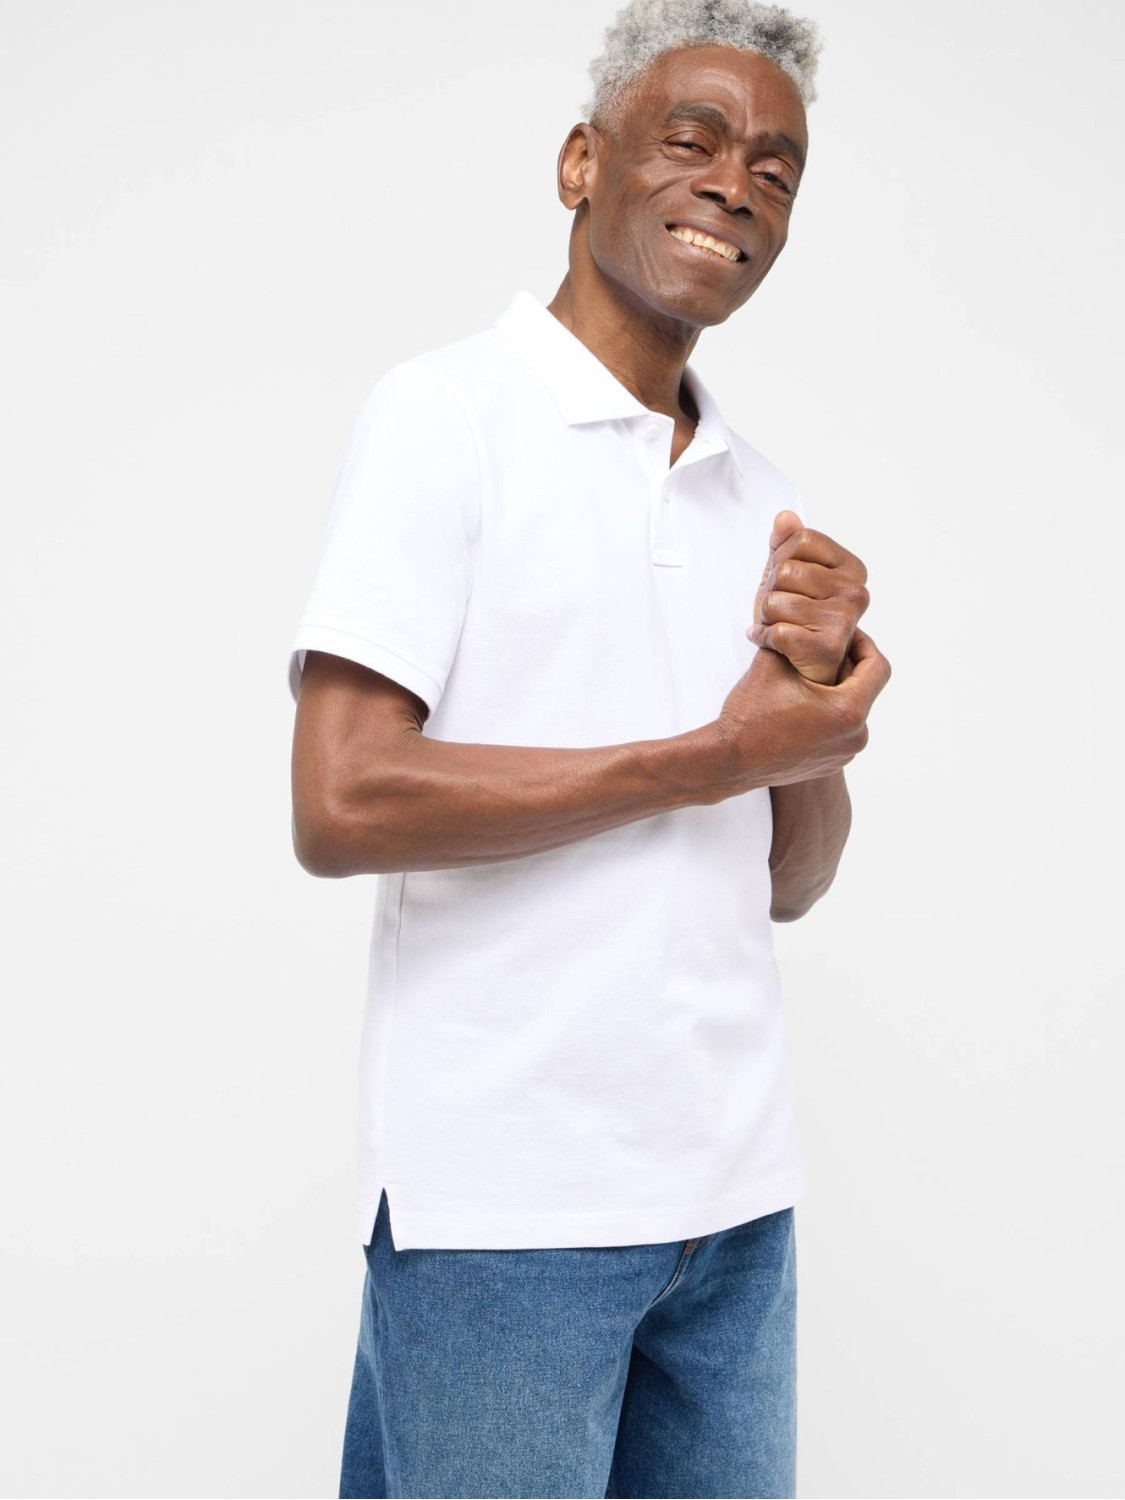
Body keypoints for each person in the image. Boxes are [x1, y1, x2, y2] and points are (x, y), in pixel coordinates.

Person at [287, 1, 891, 1494]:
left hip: (736, 1206)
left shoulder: (763, 493)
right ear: (581, 162)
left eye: (775, 171)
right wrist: (712, 753)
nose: (735, 185)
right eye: (691, 140)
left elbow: (786, 881)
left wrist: (814, 722)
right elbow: (340, 800)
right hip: (507, 1210)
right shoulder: (446, 417)